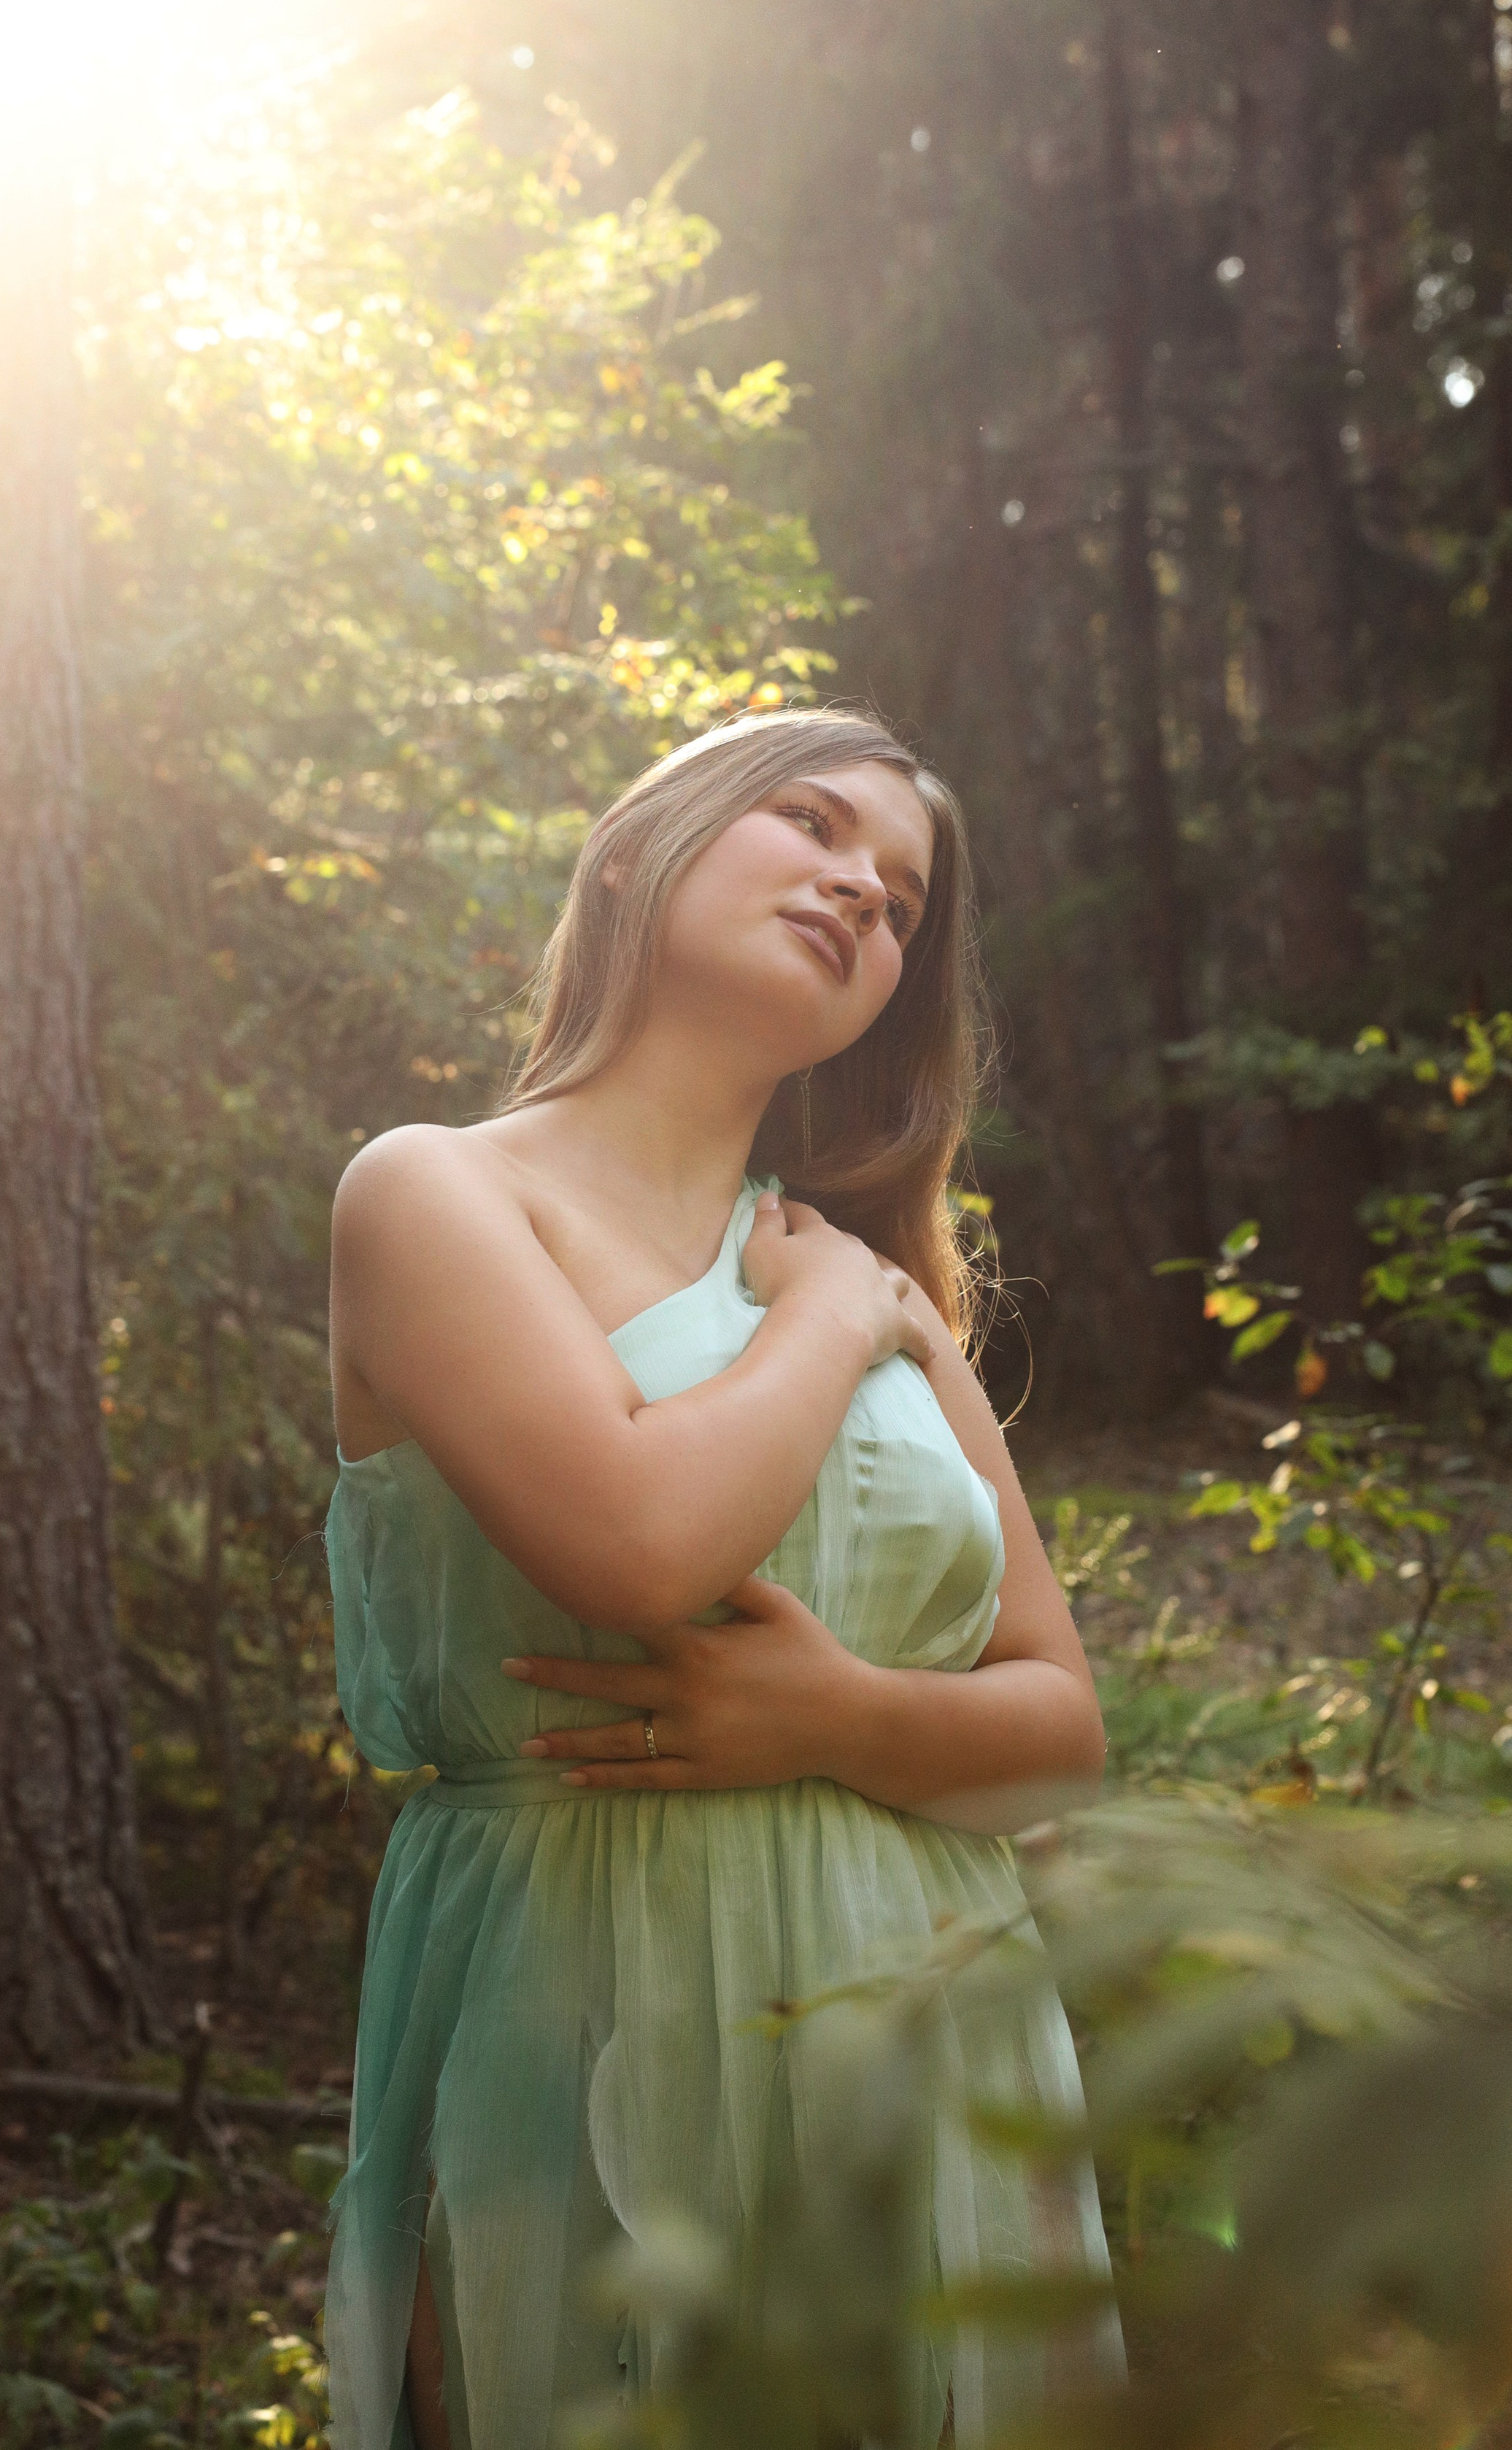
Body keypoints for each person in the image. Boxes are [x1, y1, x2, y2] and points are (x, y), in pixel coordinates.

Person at [323, 706, 1116, 2450]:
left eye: (899, 897)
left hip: (923, 2020)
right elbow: (637, 1539)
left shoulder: (891, 1282)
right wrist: (822, 1317)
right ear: (638, 851)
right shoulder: (436, 1196)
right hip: (573, 1991)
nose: (858, 890)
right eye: (812, 826)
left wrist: (834, 1715)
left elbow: (1058, 1731)